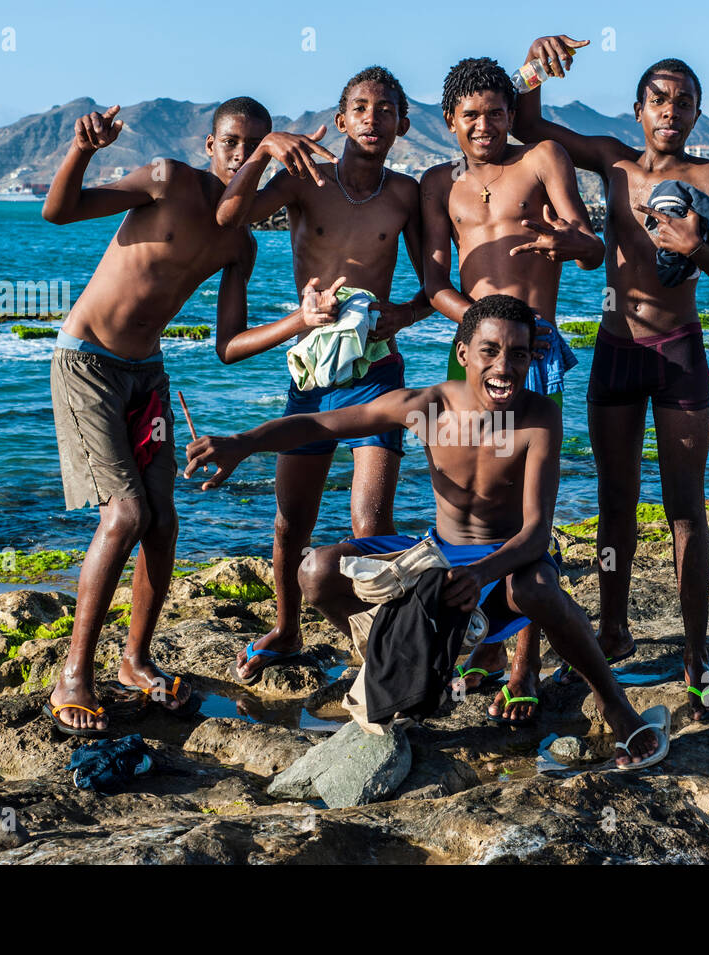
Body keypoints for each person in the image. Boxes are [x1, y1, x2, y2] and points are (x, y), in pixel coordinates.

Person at [184, 295, 667, 767]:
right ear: (462, 354)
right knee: (317, 570)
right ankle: (398, 664)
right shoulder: (427, 406)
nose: (504, 366)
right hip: (438, 562)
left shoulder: (539, 417)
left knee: (537, 584)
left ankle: (616, 708)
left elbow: (538, 533)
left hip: (506, 566)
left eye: (518, 354)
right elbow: (320, 423)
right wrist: (241, 442)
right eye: (490, 351)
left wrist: (481, 573)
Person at [512, 35, 709, 718]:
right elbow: (530, 126)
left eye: (684, 101)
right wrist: (533, 64)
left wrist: (696, 246)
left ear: (696, 114)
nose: (670, 110)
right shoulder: (613, 165)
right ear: (638, 109)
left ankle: (696, 657)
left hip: (679, 350)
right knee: (615, 501)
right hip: (617, 347)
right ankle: (613, 631)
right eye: (659, 99)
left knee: (684, 510)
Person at [39, 96, 272, 735]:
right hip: (86, 362)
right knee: (127, 512)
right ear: (208, 145)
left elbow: (228, 344)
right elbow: (59, 212)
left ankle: (133, 660)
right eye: (229, 143)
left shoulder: (239, 243)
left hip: (148, 377)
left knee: (163, 518)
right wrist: (83, 150)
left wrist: (303, 321)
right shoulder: (166, 179)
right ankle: (74, 674)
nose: (238, 157)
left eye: (253, 148)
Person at [214, 66, 433, 685]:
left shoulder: (406, 194)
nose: (372, 118)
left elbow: (435, 281)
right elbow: (230, 218)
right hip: (311, 372)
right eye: (360, 108)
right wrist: (260, 151)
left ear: (402, 125)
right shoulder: (303, 183)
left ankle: (385, 652)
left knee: (371, 527)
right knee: (292, 520)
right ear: (340, 122)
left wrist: (407, 312)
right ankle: (286, 630)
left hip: (376, 371)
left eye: (386, 109)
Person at [419, 56, 605, 723]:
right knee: (471, 494)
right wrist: (476, 323)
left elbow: (592, 247)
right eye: (471, 115)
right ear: (451, 121)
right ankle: (486, 640)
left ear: (510, 112)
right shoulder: (438, 184)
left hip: (536, 350)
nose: (485, 125)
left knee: (529, 501)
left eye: (497, 111)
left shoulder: (544, 159)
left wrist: (572, 240)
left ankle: (523, 664)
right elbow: (434, 279)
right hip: (470, 348)